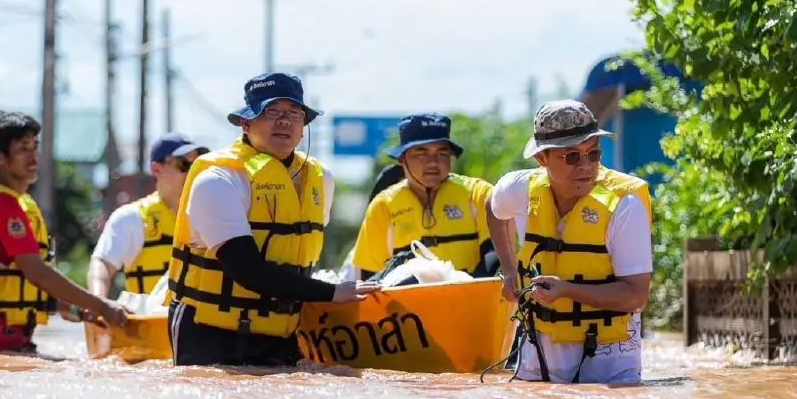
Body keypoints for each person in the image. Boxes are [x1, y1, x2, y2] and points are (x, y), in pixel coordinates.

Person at [165, 72, 379, 367]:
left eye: (294, 113)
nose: (285, 121)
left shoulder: (321, 180)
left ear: (303, 128)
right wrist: (333, 293)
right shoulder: (218, 180)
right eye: (271, 112)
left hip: (281, 330)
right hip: (209, 332)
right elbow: (247, 270)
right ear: (246, 123)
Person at [486, 100, 652, 385]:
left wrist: (567, 290)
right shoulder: (520, 189)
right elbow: (492, 206)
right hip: (536, 362)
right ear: (542, 158)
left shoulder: (625, 204)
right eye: (572, 156)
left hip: (610, 367)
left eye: (593, 153)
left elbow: (636, 296)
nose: (585, 166)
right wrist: (510, 269)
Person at [0, 111, 129, 355]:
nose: (33, 156)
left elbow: (15, 280)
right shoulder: (3, 204)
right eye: (23, 149)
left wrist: (70, 307)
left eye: (35, 146)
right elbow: (37, 273)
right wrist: (102, 305)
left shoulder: (3, 199)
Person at [349, 113, 498, 280]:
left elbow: (496, 254)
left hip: (473, 293)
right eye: (422, 153)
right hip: (407, 296)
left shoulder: (479, 193)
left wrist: (460, 288)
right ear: (401, 159)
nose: (433, 162)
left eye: (442, 153)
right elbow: (369, 275)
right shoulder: (383, 206)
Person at [87, 132, 208, 298]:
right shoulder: (131, 218)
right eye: (184, 164)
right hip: (149, 314)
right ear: (156, 169)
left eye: (197, 165)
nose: (192, 172)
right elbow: (103, 264)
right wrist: (98, 302)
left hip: (198, 315)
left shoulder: (211, 217)